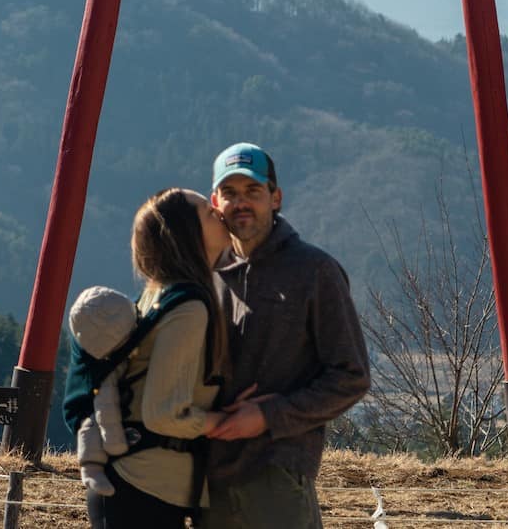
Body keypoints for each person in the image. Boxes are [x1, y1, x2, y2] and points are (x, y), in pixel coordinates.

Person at [203, 142, 371, 529]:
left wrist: (267, 416)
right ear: (215, 200)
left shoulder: (315, 272)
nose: (241, 203)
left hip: (277, 473)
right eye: (230, 193)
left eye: (253, 192)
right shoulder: (207, 273)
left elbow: (352, 376)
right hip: (209, 480)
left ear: (275, 198)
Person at [85, 187, 233, 529]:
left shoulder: (157, 294)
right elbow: (163, 414)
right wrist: (222, 421)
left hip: (133, 483)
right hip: (145, 489)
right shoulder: (190, 309)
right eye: (208, 213)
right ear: (187, 234)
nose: (219, 214)